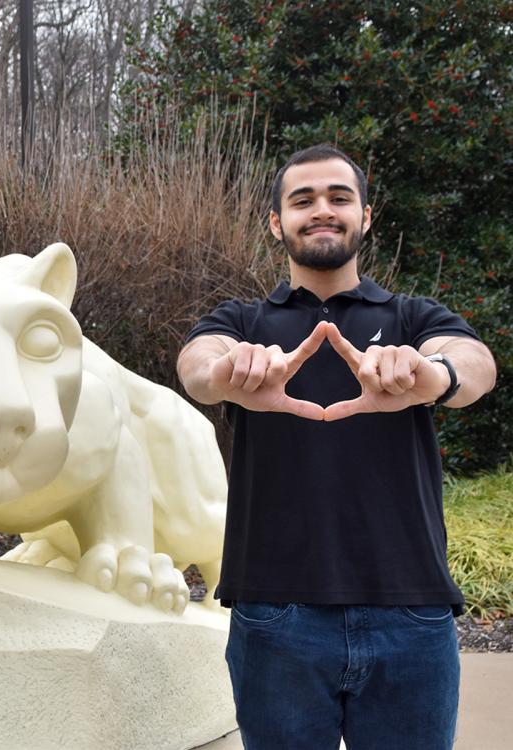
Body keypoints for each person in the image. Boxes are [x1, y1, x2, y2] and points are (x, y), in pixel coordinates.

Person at [177, 144, 496, 749]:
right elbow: (196, 364)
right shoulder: (243, 323)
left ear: (365, 216)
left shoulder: (411, 318)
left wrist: (431, 376)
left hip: (412, 613)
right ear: (277, 222)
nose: (321, 210)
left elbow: (474, 365)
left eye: (338, 197)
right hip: (275, 616)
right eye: (303, 200)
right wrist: (230, 374)